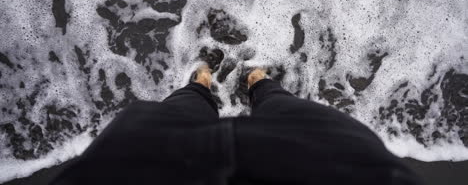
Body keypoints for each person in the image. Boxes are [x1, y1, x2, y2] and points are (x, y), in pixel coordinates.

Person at [51, 65, 422, 185]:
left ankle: (204, 85)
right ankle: (256, 83)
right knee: (280, 105)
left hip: (142, 167)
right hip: (335, 169)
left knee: (184, 107)